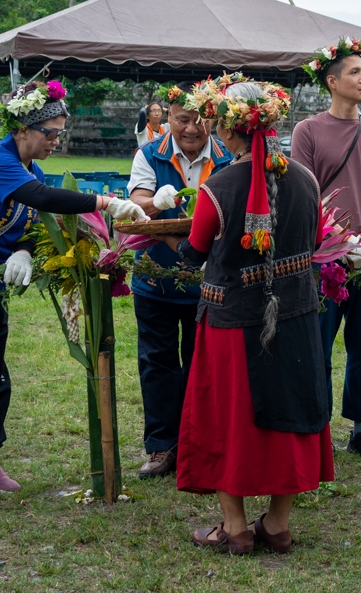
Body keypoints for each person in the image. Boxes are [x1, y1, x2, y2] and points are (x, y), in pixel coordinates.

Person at [0, 78, 145, 503]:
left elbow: (31, 223)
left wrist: (23, 251)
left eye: (60, 134)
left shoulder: (33, 169)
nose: (55, 142)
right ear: (22, 129)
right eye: (50, 133)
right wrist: (105, 203)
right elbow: (40, 198)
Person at [167, 77, 334, 555]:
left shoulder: (217, 188)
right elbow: (314, 240)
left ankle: (236, 527)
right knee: (292, 416)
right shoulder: (305, 178)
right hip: (296, 315)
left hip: (232, 323)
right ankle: (277, 525)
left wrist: (161, 236)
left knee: (229, 421)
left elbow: (195, 252)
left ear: (225, 130)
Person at [291, 38, 361, 463]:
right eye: (355, 72)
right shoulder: (308, 130)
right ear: (332, 82)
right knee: (318, 344)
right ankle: (316, 429)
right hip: (323, 258)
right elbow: (306, 192)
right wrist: (341, 240)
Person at [124, 87, 234, 478]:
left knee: (204, 368)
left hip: (212, 284)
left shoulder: (227, 156)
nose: (192, 128)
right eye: (182, 119)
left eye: (200, 119)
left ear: (213, 119)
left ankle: (198, 445)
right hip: (156, 279)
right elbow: (137, 205)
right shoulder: (149, 154)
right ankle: (160, 446)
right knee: (157, 363)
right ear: (167, 117)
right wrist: (158, 203)